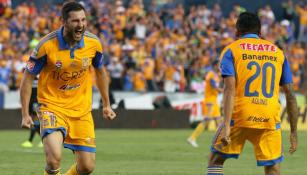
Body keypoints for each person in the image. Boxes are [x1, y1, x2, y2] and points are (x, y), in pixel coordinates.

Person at [20, 2, 116, 175]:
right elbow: (27, 78)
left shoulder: (93, 44)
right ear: (63, 21)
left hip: (81, 110)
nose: (81, 25)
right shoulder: (45, 46)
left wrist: (106, 104)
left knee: (87, 167)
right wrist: (25, 114)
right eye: (75, 21)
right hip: (52, 106)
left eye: (83, 20)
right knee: (53, 159)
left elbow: (101, 73)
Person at [207, 12, 298, 175]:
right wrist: (293, 132)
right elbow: (290, 94)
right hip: (268, 117)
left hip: (240, 115)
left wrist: (227, 125)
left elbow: (229, 89)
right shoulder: (278, 53)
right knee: (273, 167)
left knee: (216, 160)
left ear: (237, 31)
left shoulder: (231, 50)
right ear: (260, 32)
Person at [187, 60, 223, 148]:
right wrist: (221, 90)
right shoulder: (211, 73)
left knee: (219, 121)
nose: (220, 66)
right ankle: (192, 138)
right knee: (207, 119)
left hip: (214, 99)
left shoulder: (216, 74)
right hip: (210, 99)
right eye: (218, 65)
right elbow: (213, 84)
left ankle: (220, 142)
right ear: (215, 65)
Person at [21, 75, 43, 148]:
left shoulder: (37, 79)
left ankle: (32, 140)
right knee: (35, 121)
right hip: (32, 102)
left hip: (36, 103)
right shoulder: (33, 80)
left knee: (35, 121)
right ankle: (41, 140)